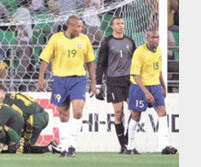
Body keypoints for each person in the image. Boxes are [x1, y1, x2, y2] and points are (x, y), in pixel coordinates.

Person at [37, 15, 96, 157]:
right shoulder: (56, 39)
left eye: (81, 26)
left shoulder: (84, 39)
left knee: (77, 111)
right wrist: (41, 77)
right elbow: (45, 59)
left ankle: (72, 146)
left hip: (78, 80)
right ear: (70, 26)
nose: (81, 29)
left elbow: (90, 62)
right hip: (60, 80)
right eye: (78, 26)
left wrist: (93, 81)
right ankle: (63, 148)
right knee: (63, 114)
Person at [127, 29, 178, 154]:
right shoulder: (139, 52)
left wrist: (164, 87)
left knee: (162, 112)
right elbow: (135, 75)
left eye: (157, 37)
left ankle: (165, 146)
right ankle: (130, 147)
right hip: (139, 87)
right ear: (147, 38)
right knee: (135, 115)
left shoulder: (159, 51)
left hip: (155, 87)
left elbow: (158, 71)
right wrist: (146, 92)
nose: (155, 40)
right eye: (153, 37)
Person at [96, 16, 136, 154]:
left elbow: (137, 60)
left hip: (129, 80)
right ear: (112, 26)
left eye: (122, 23)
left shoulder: (130, 41)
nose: (120, 26)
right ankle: (123, 146)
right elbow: (100, 63)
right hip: (114, 80)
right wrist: (98, 84)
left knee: (134, 112)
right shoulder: (107, 42)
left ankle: (128, 142)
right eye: (117, 24)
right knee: (118, 113)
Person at [0, 85, 52, 153]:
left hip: (36, 118)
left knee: (25, 146)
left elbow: (19, 118)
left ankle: (48, 148)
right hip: (39, 117)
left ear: (1, 92)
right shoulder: (11, 97)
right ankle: (49, 148)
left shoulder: (8, 103)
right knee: (25, 145)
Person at [10, 0, 33, 89]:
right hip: (24, 41)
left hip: (23, 41)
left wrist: (19, 28)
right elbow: (14, 20)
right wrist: (22, 29)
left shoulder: (20, 10)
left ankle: (20, 86)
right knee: (23, 66)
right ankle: (13, 86)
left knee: (26, 65)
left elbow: (11, 18)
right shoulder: (24, 10)